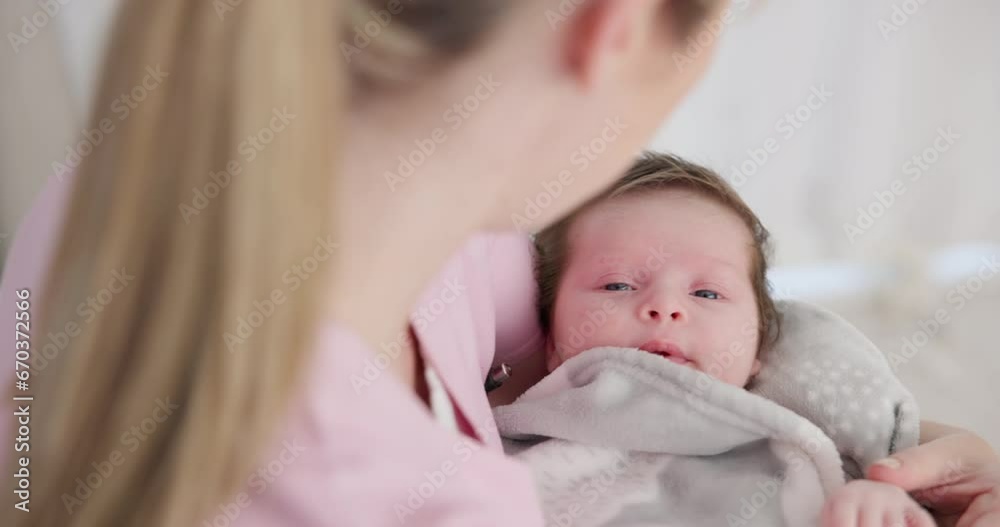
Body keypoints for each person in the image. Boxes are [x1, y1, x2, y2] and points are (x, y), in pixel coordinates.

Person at [0, 1, 997, 526]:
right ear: (614, 27)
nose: (657, 305)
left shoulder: (122, 188)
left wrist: (907, 444)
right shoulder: (436, 502)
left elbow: (650, 350)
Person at [504, 152, 933, 526]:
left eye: (707, 293)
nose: (667, 307)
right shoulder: (504, 449)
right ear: (550, 340)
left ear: (757, 351)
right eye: (617, 285)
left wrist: (875, 502)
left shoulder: (816, 454)